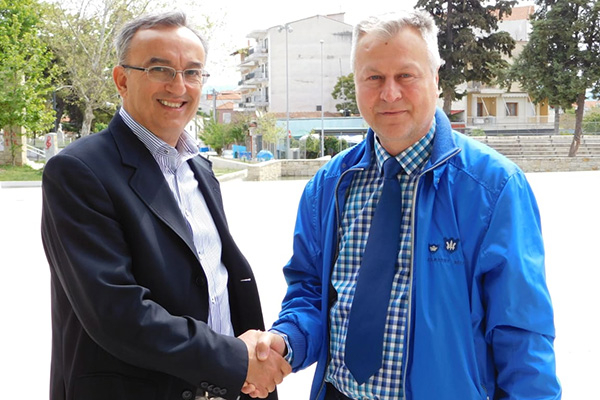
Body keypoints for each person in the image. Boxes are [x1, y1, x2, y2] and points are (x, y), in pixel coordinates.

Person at [258, 9, 562, 400]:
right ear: (355, 83)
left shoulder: (492, 188)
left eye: (405, 75)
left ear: (435, 78)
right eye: (373, 78)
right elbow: (310, 292)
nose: (389, 93)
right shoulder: (329, 186)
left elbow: (522, 336)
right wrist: (286, 341)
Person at [41, 11, 289, 400]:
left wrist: (249, 364)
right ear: (122, 80)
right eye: (160, 69)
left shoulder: (199, 169)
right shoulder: (78, 171)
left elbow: (213, 279)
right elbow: (117, 313)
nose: (179, 86)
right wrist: (232, 358)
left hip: (224, 389)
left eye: (192, 72)